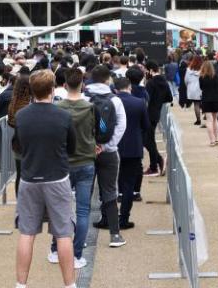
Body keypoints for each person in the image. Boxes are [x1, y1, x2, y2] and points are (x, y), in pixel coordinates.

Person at [13, 69, 78, 288]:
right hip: (57, 177)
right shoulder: (63, 116)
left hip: (29, 177)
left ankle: (21, 284)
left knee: (27, 232)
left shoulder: (21, 116)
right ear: (52, 90)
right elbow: (72, 147)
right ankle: (70, 284)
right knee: (63, 234)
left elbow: (19, 145)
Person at [49, 67, 95, 268]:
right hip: (86, 161)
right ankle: (76, 255)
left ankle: (55, 249)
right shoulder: (91, 107)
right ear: (82, 84)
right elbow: (101, 130)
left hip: (63, 164)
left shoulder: (57, 109)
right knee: (83, 210)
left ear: (65, 84)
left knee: (60, 209)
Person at [86, 66, 127, 248]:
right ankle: (115, 235)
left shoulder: (84, 98)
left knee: (83, 194)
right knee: (110, 191)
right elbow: (121, 126)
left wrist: (90, 146)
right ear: (107, 79)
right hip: (109, 153)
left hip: (86, 153)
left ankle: (80, 238)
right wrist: (107, 145)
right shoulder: (115, 100)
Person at [114, 76, 150, 230]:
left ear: (115, 89)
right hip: (133, 147)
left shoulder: (111, 102)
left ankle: (108, 216)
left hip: (113, 146)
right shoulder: (139, 103)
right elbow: (146, 125)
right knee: (128, 185)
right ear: (129, 87)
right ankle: (124, 218)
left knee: (110, 184)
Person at [143, 61, 170, 176]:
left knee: (147, 140)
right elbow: (169, 97)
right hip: (157, 113)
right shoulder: (164, 81)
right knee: (150, 140)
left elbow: (146, 100)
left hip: (148, 113)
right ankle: (154, 165)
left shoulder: (151, 83)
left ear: (150, 70)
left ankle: (158, 161)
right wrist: (158, 102)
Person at [199, 59, 218, 147]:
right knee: (215, 119)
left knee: (209, 120)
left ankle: (212, 140)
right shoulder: (217, 76)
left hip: (206, 99)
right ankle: (217, 139)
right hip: (216, 99)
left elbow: (201, 88)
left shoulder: (201, 77)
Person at [185, 56, 203, 126]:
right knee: (202, 103)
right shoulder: (202, 69)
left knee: (196, 104)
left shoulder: (189, 70)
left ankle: (198, 120)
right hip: (201, 88)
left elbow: (186, 80)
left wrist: (188, 86)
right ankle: (205, 116)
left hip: (192, 89)